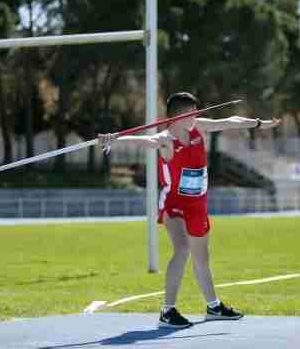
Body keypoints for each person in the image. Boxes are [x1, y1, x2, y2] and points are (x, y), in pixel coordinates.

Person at [99, 92, 281, 328]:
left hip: (198, 204)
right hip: (174, 202)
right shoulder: (165, 139)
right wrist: (113, 139)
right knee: (182, 249)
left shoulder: (199, 127)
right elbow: (140, 141)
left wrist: (260, 124)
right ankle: (168, 311)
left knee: (202, 257)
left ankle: (214, 307)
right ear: (179, 116)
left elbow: (231, 121)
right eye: (192, 113)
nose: (197, 116)